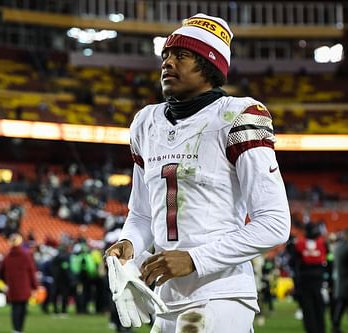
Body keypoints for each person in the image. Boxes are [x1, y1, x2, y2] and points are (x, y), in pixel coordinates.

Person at [105, 13, 291, 333]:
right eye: (165, 55)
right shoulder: (146, 123)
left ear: (209, 65)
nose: (167, 63)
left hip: (223, 293)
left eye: (181, 55)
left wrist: (195, 259)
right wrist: (129, 243)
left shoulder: (238, 115)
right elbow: (142, 214)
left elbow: (274, 223)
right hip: (165, 297)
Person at [0, 233, 37, 333]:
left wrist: (6, 281)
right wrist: (35, 286)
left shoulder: (7, 257)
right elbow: (31, 272)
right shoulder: (26, 256)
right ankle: (20, 329)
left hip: (12, 288)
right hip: (24, 287)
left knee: (15, 308)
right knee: (23, 309)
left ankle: (15, 329)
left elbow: (1, 273)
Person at [293, 223, 327, 333]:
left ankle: (311, 330)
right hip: (318, 280)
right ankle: (320, 329)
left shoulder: (299, 244)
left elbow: (294, 264)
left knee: (308, 309)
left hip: (304, 281)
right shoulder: (322, 243)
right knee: (319, 308)